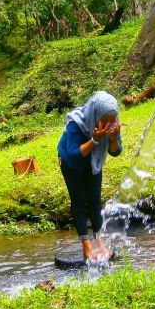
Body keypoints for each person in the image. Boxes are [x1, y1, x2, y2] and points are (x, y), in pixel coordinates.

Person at [57, 91, 123, 260]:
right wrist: (94, 140)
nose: (109, 124)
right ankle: (86, 245)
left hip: (93, 161)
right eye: (105, 120)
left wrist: (114, 138)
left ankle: (99, 242)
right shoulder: (76, 123)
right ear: (95, 115)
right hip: (71, 162)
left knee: (94, 200)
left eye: (112, 120)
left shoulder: (113, 124)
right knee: (79, 200)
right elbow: (73, 155)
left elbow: (116, 152)